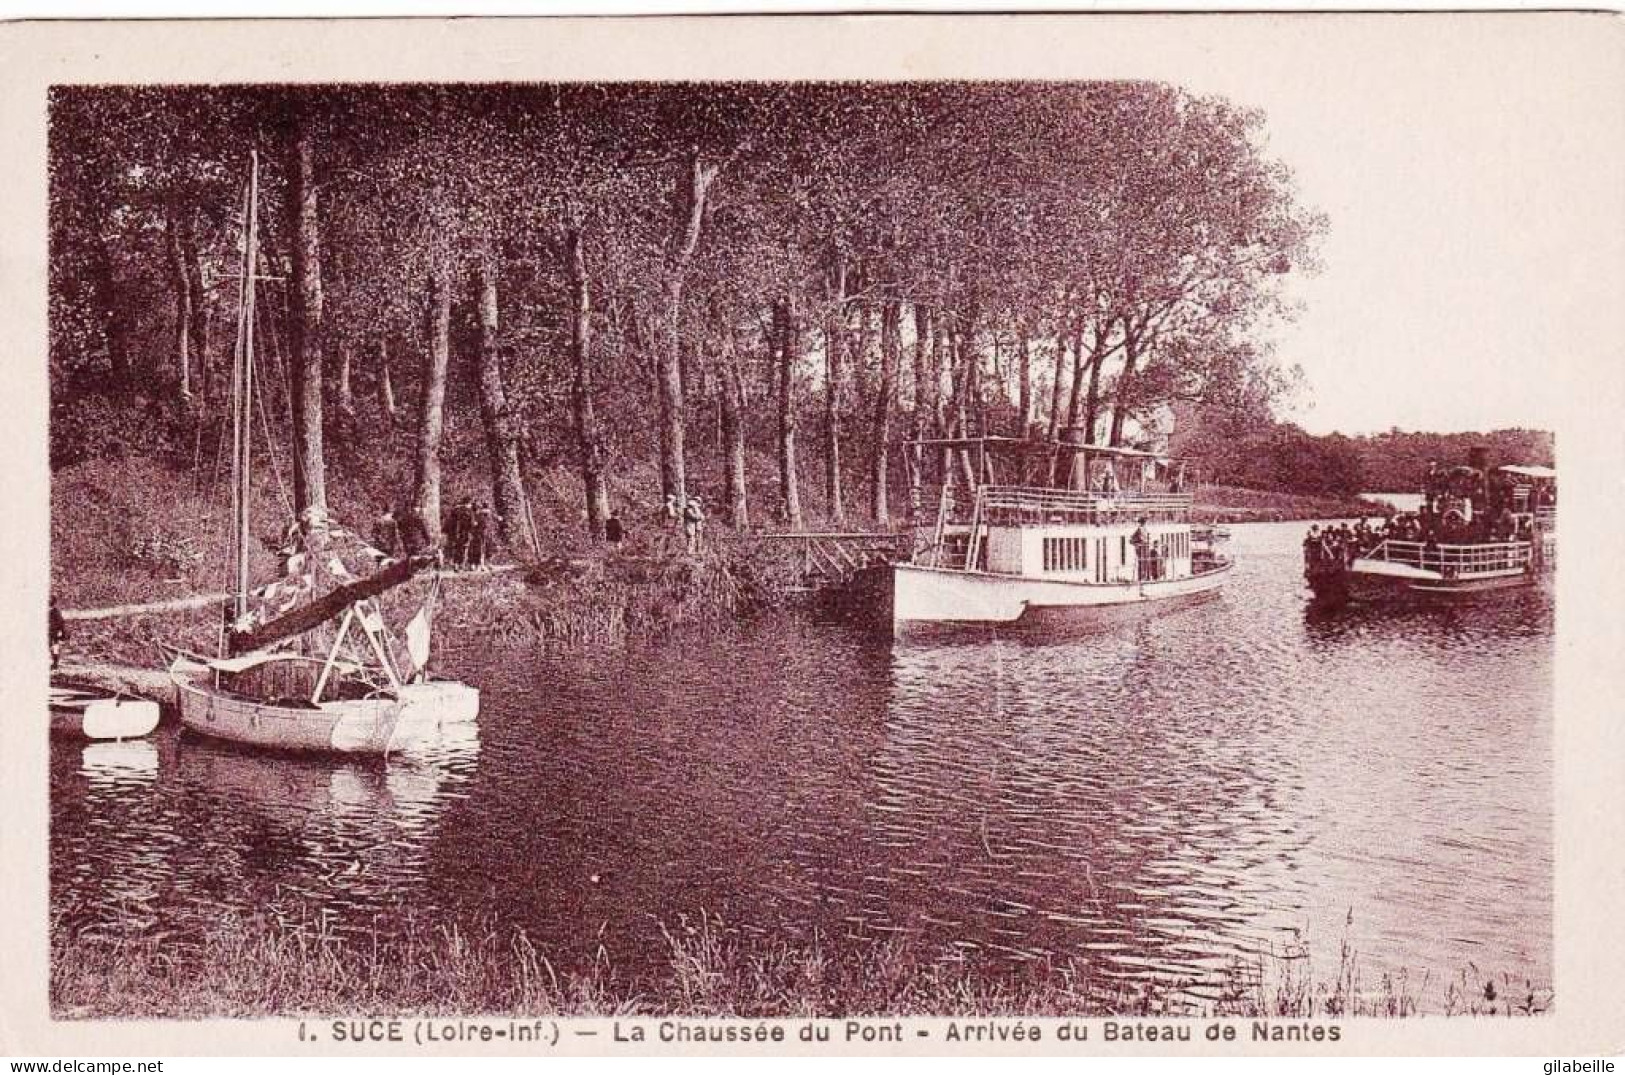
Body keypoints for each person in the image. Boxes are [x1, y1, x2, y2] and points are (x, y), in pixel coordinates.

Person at [49, 595, 67, 670]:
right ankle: (54, 662)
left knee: (54, 647)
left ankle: (55, 662)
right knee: (52, 647)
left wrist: (62, 632)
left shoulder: (55, 611)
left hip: (53, 632)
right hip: (50, 632)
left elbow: (61, 622)